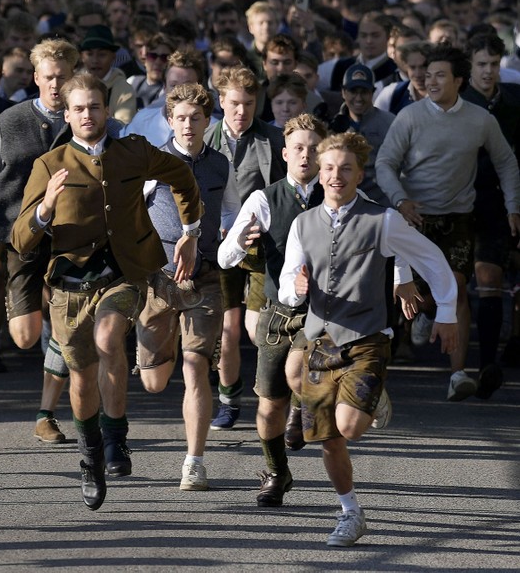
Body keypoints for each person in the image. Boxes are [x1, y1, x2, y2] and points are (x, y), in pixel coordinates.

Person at [12, 73, 203, 510]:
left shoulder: (133, 151)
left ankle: (117, 437)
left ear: (105, 110)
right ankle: (91, 456)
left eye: (94, 107)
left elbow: (182, 177)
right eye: (78, 108)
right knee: (80, 377)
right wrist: (44, 208)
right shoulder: (50, 163)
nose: (87, 115)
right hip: (70, 286)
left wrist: (190, 231)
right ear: (67, 114)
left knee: (108, 339)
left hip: (126, 274)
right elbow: (21, 239)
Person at [278, 130, 458, 547]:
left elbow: (431, 258)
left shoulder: (384, 220)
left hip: (366, 337)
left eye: (345, 169)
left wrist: (445, 312)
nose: (335, 176)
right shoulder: (303, 224)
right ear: (319, 174)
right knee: (329, 440)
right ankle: (351, 513)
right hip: (319, 340)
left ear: (360, 174)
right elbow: (289, 276)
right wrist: (296, 290)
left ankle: (370, 396)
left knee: (350, 426)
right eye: (328, 169)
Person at [0, 38, 97, 438]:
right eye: (48, 77)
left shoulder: (87, 118)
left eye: (63, 77)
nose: (56, 85)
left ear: (75, 77)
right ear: (35, 78)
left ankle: (47, 415)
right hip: (19, 234)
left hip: (73, 238)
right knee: (24, 336)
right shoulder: (12, 120)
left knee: (65, 327)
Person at [375, 45, 520, 401]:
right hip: (413, 216)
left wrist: (513, 206)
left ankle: (458, 374)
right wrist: (401, 200)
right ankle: (418, 318)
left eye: (441, 75)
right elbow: (384, 164)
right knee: (412, 295)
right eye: (428, 74)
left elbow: (506, 162)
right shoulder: (409, 117)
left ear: (459, 80)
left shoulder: (481, 119)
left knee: (454, 287)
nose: (431, 80)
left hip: (458, 217)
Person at [218, 113, 327, 507]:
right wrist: (243, 241)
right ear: (285, 153)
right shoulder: (264, 198)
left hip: (322, 313)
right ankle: (277, 473)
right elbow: (224, 257)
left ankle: (302, 409)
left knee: (298, 371)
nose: (305, 155)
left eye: (314, 148)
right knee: (268, 408)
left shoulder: (337, 196)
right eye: (298, 147)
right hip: (277, 311)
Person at [136, 82, 232, 491]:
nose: (189, 125)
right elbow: (130, 213)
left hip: (205, 276)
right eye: (181, 118)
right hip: (158, 278)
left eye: (196, 118)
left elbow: (230, 205)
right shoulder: (152, 164)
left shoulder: (220, 164)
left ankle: (194, 462)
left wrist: (232, 236)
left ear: (208, 122)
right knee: (154, 381)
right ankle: (164, 345)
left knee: (196, 369)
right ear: (169, 121)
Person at [204, 66, 286, 430]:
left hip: (258, 249)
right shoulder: (205, 138)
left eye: (249, 103)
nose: (241, 111)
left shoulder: (273, 139)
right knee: (229, 328)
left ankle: (274, 391)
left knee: (255, 329)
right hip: (217, 247)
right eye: (234, 103)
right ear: (221, 101)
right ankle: (229, 398)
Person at [461, 33, 520, 398]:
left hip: (498, 203)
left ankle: (487, 365)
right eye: (481, 64)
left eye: (494, 65)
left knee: (490, 280)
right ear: (469, 67)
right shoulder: (457, 102)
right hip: (457, 201)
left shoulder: (513, 101)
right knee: (453, 287)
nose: (488, 72)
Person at [329, 64, 394, 207]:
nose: (358, 98)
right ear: (343, 92)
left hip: (382, 203)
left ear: (373, 92)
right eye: (353, 91)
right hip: (344, 203)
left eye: (364, 91)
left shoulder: (389, 123)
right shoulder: (332, 126)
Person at [78, 25, 136, 125]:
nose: (95, 60)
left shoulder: (124, 89)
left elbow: (124, 127)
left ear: (113, 57)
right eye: (89, 54)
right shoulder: (72, 85)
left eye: (102, 54)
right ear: (82, 56)